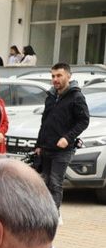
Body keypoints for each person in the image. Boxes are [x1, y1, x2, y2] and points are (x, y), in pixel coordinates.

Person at [35, 62, 89, 214]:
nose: (55, 79)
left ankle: (54, 216)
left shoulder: (76, 97)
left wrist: (67, 137)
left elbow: (84, 121)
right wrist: (39, 144)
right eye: (53, 76)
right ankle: (44, 215)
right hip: (46, 147)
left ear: (68, 76)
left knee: (55, 183)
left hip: (63, 149)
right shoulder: (51, 96)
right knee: (43, 183)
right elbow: (44, 122)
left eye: (59, 75)